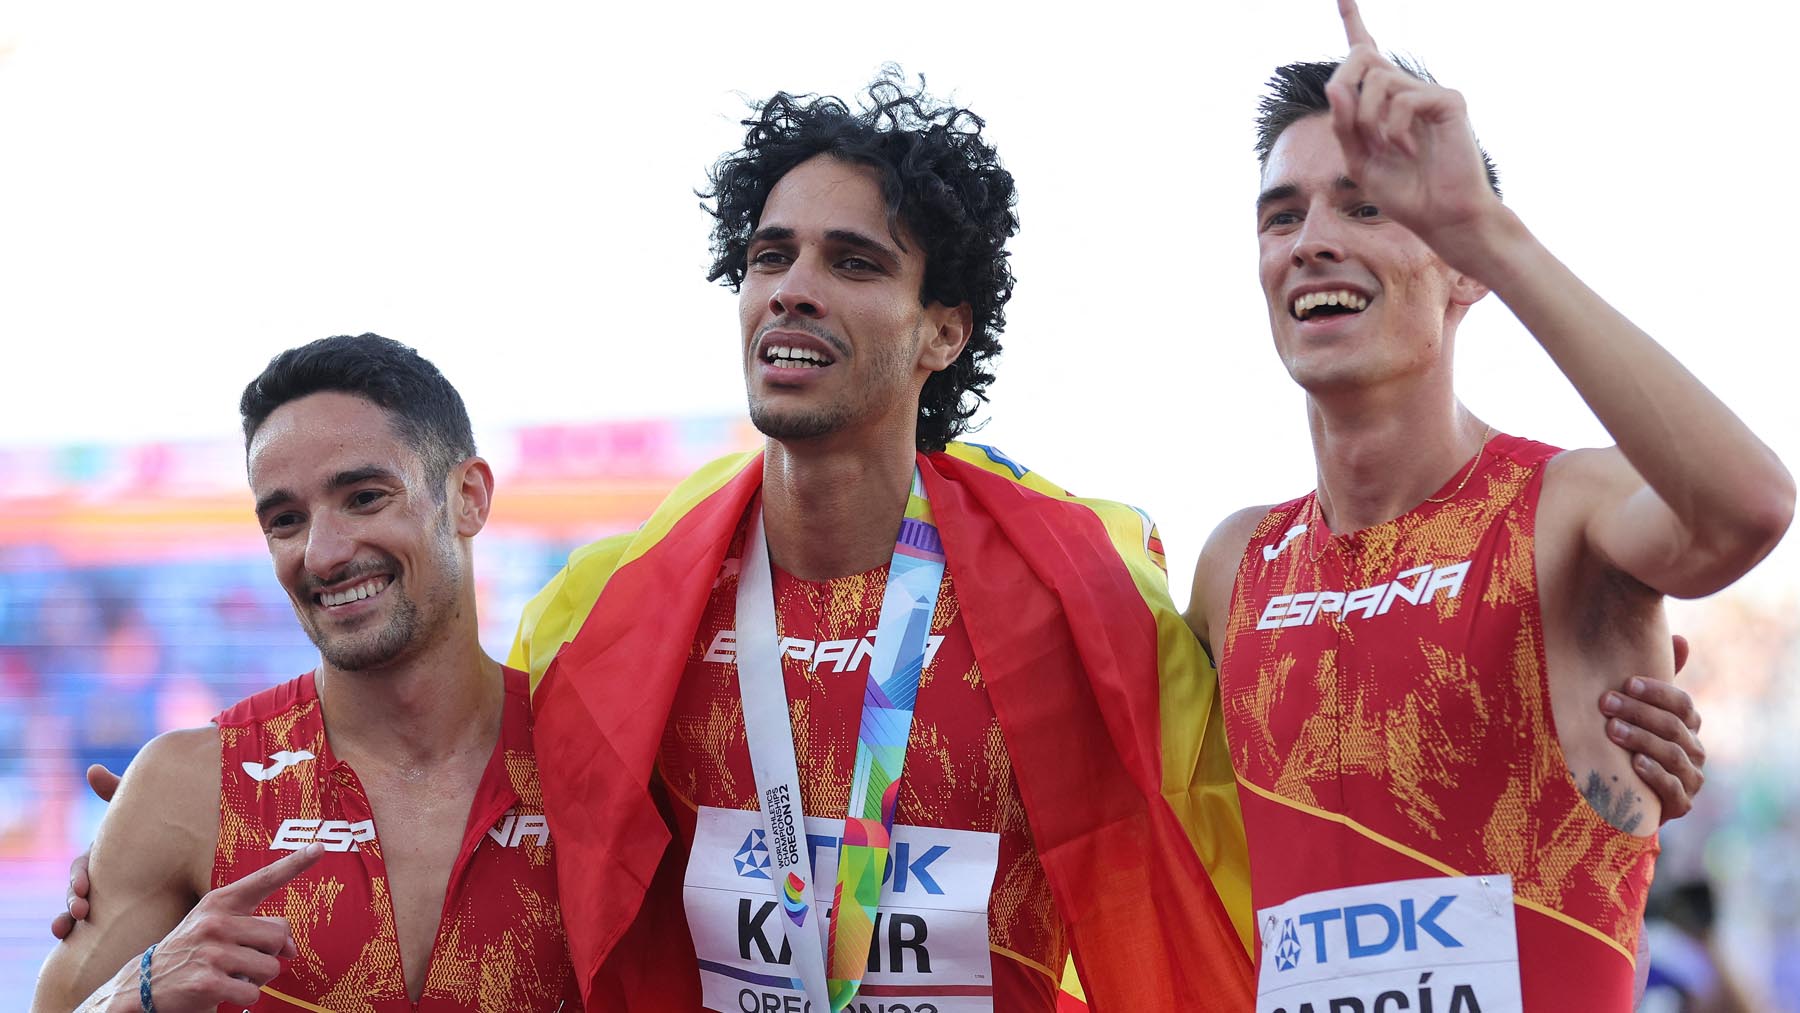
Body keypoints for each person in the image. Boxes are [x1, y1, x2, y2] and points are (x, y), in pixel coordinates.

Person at [508, 75, 1257, 1012]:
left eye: (853, 263)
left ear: (942, 331)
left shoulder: (1082, 603)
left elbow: (1224, 888)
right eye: (769, 257)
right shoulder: (609, 611)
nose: (793, 291)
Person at [1184, 3, 1794, 1010]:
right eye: (1282, 214)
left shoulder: (1568, 507)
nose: (1313, 241)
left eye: (1367, 206)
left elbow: (1749, 506)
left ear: (1459, 267)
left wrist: (1487, 229)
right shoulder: (1233, 563)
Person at [32, 335, 579, 1012]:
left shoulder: (593, 759)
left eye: (365, 497)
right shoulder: (190, 787)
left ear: (468, 496)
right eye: (286, 519)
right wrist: (135, 990)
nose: (322, 553)